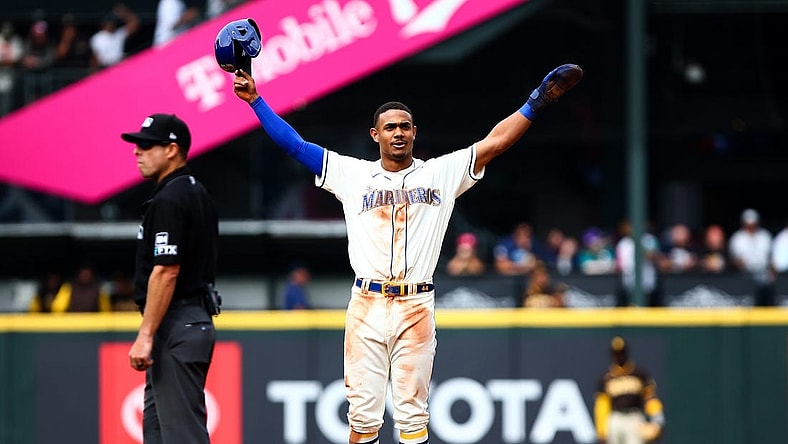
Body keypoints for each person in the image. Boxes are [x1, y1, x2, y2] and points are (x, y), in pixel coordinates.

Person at [232, 58, 583, 444]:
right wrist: (256, 101)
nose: (397, 133)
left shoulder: (439, 172)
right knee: (362, 420)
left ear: (415, 132)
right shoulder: (354, 174)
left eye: (404, 126)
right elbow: (296, 146)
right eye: (389, 128)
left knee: (413, 417)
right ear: (375, 134)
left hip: (415, 305)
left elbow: (495, 142)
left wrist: (536, 102)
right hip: (366, 303)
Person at [121, 112, 219, 443]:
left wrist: (146, 334)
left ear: (172, 150)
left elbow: (167, 269)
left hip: (177, 320)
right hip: (184, 320)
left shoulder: (172, 197)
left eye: (147, 145)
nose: (137, 151)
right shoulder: (192, 191)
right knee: (159, 433)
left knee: (181, 437)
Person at [594, 336, 665, 444]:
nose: (619, 356)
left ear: (626, 353)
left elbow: (650, 399)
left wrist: (657, 420)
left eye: (621, 353)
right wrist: (601, 432)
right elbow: (602, 406)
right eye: (617, 353)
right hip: (615, 418)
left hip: (634, 417)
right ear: (612, 355)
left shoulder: (640, 374)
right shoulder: (606, 378)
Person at [729, 208, 774, 306]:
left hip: (764, 277)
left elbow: (771, 259)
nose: (750, 227)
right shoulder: (737, 238)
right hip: (745, 277)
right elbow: (736, 261)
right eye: (748, 224)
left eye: (753, 224)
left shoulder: (765, 236)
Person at [89, 3, 140, 70]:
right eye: (108, 22)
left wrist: (123, 13)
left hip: (119, 67)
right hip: (104, 68)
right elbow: (95, 59)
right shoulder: (97, 37)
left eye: (112, 21)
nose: (111, 24)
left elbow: (134, 23)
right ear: (103, 23)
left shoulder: (118, 34)